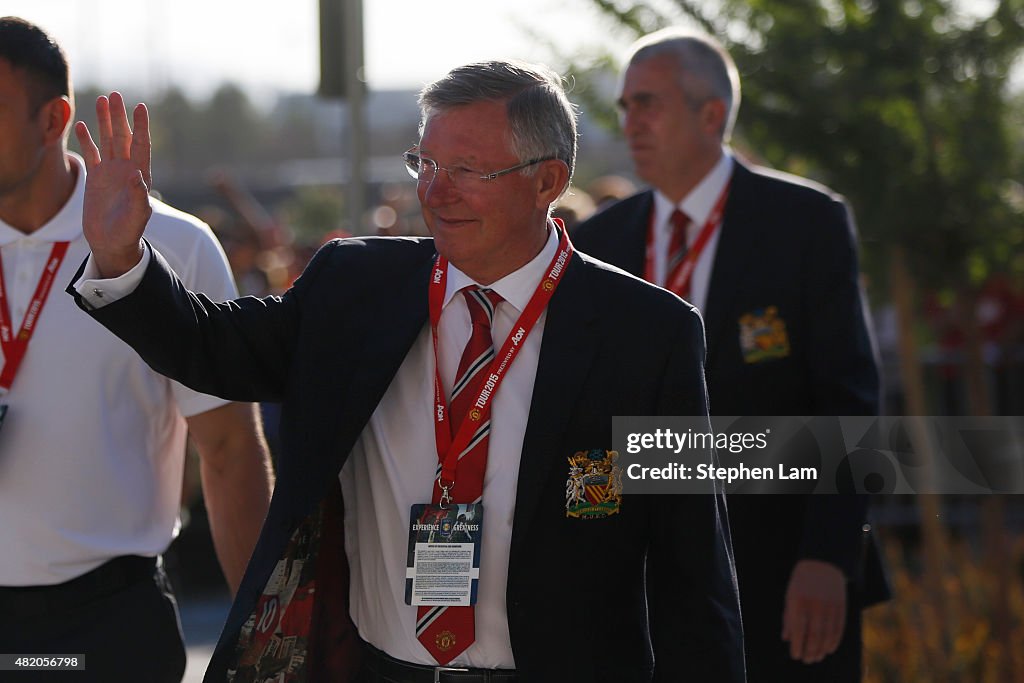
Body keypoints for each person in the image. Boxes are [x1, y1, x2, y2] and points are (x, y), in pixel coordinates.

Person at [68, 60, 744, 682]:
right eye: (426, 161)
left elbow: (694, 572)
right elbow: (210, 348)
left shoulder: (648, 334)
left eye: (469, 170)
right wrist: (123, 257)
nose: (435, 191)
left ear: (548, 181)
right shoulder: (355, 288)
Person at [573, 27, 889, 683]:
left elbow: (848, 398)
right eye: (626, 105)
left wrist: (829, 556)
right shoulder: (601, 240)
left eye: (648, 103)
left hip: (783, 574)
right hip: (642, 585)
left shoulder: (806, 222)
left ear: (710, 113)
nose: (630, 121)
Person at [0, 17, 273, 682]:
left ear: (51, 119)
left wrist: (263, 649)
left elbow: (231, 449)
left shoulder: (173, 245)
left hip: (101, 628)